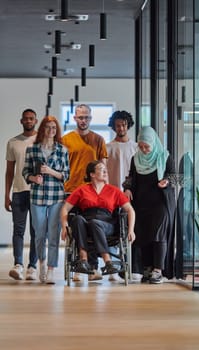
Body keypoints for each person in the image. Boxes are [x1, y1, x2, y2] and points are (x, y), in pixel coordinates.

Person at [60, 160, 135, 279]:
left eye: (105, 169)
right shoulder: (82, 190)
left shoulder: (114, 190)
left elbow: (130, 210)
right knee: (77, 219)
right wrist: (64, 227)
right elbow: (65, 209)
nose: (105, 171)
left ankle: (108, 261)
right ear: (92, 174)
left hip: (107, 224)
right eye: (101, 169)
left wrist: (131, 230)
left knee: (95, 223)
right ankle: (83, 260)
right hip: (86, 223)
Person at [123, 126, 176, 284]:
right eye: (141, 146)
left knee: (158, 234)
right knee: (144, 234)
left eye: (147, 146)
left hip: (161, 202)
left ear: (154, 143)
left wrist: (166, 181)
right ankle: (147, 268)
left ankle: (158, 270)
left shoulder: (165, 157)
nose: (144, 149)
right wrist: (126, 188)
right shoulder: (136, 158)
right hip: (141, 202)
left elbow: (174, 176)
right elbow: (131, 177)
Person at [62, 104, 108, 282]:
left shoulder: (98, 139)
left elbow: (103, 168)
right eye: (80, 117)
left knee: (94, 227)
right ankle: (79, 269)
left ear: (91, 118)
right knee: (76, 229)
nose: (84, 120)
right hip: (71, 190)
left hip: (94, 192)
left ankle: (94, 267)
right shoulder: (66, 140)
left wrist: (105, 189)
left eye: (87, 117)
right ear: (75, 118)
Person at [22, 116, 69, 284]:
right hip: (37, 197)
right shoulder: (32, 149)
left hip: (56, 196)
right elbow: (25, 172)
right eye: (48, 127)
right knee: (40, 234)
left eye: (54, 128)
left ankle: (51, 269)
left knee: (54, 234)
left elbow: (66, 175)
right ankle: (41, 263)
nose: (51, 131)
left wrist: (50, 171)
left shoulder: (62, 150)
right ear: (42, 129)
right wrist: (33, 178)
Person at [106, 110, 140, 281]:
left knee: (129, 230)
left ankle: (130, 266)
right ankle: (112, 267)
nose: (121, 127)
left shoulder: (135, 147)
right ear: (114, 127)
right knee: (113, 229)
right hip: (112, 194)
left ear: (128, 125)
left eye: (124, 124)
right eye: (118, 125)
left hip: (131, 195)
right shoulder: (108, 148)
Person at [5, 108, 38, 281]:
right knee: (18, 230)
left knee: (35, 231)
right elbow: (9, 171)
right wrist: (6, 194)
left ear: (36, 121)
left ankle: (32, 266)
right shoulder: (13, 142)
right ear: (21, 121)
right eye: (26, 118)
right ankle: (18, 264)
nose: (28, 121)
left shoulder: (41, 140)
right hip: (18, 191)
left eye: (31, 118)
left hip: (37, 192)